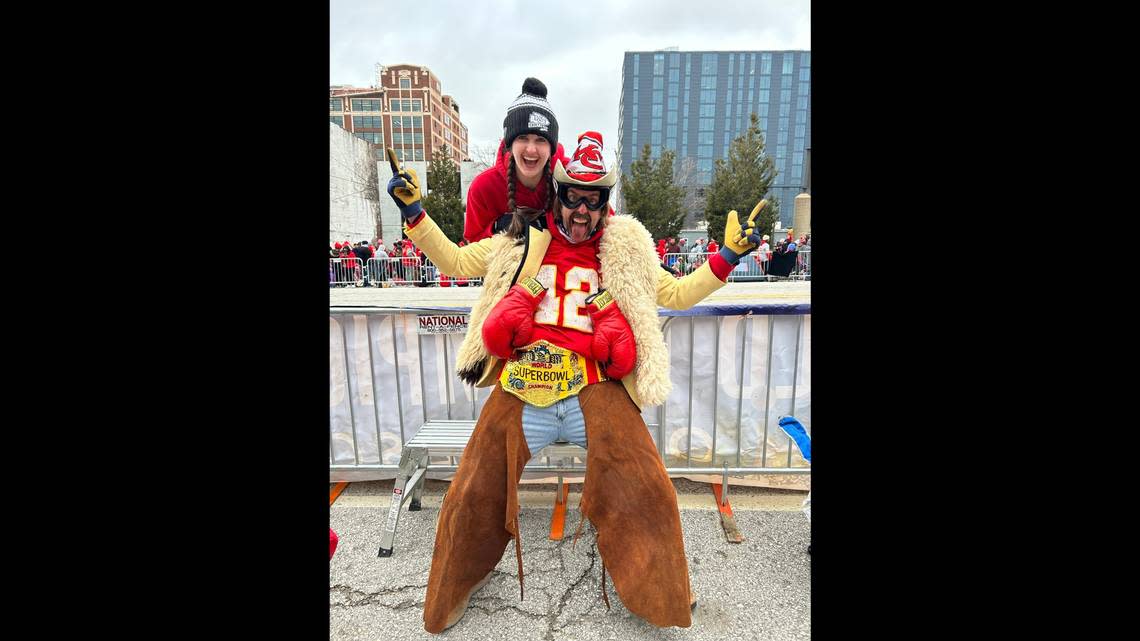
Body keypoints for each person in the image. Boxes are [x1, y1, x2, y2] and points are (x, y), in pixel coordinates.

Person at [387, 130, 767, 633]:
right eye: (573, 199)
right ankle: (454, 587)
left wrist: (727, 257)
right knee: (473, 484)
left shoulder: (626, 246)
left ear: (605, 204)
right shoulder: (519, 240)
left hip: (596, 385)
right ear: (559, 197)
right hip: (525, 384)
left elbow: (674, 292)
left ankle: (659, 588)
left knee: (648, 484)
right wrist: (415, 214)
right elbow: (457, 262)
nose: (582, 211)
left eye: (593, 201)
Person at [463, 77, 566, 244]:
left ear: (551, 148)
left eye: (541, 139)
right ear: (510, 145)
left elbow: (605, 221)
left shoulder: (570, 175)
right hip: (506, 268)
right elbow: (472, 245)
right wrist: (497, 229)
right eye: (523, 138)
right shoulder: (483, 187)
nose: (531, 149)